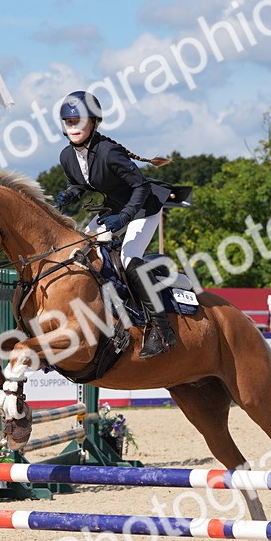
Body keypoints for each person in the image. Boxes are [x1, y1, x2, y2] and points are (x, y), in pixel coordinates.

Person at [54, 89, 175, 359]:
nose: (73, 127)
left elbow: (141, 187)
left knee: (129, 259)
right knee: (79, 251)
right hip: (115, 210)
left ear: (94, 123)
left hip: (144, 208)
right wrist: (71, 193)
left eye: (78, 121)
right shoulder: (67, 156)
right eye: (69, 122)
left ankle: (161, 329)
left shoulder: (109, 153)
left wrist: (125, 217)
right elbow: (78, 181)